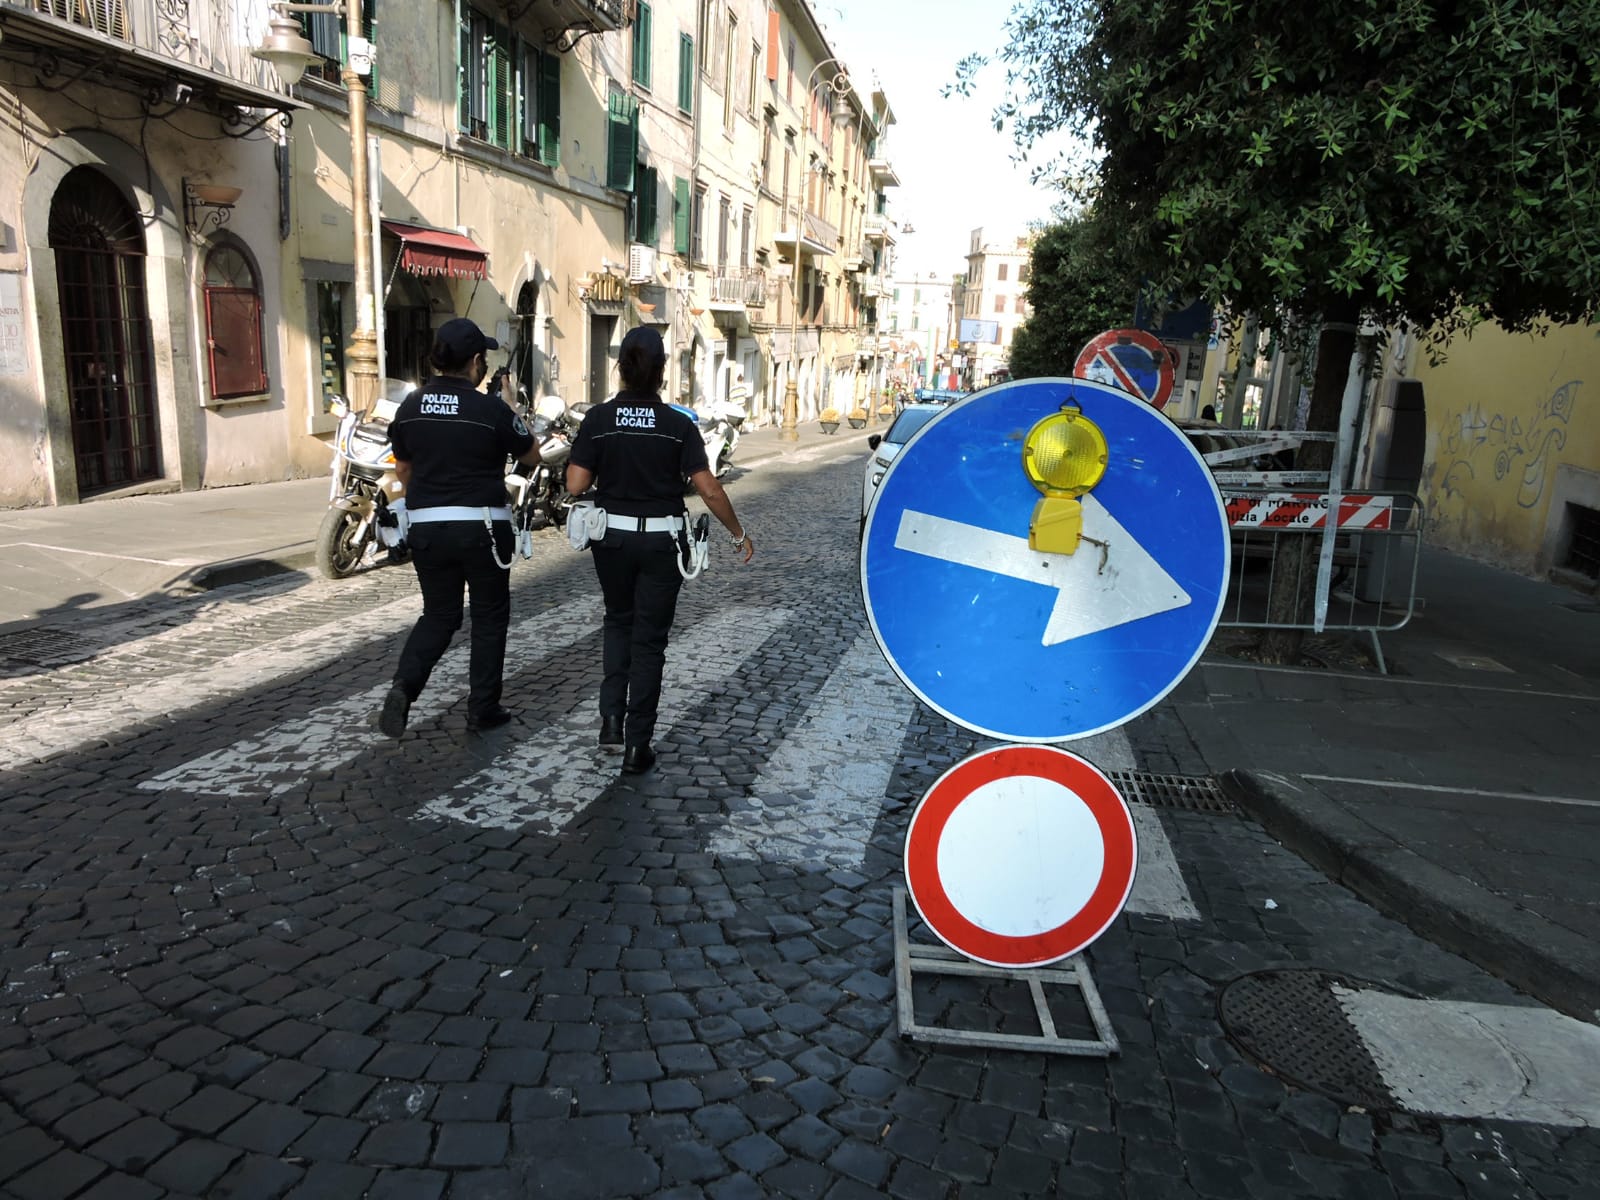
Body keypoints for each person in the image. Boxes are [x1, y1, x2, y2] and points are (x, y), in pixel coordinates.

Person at [566, 326, 755, 775]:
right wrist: (737, 533)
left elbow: (576, 484)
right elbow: (708, 489)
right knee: (649, 641)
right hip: (662, 542)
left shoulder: (598, 419)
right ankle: (638, 745)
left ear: (621, 370)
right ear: (662, 371)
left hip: (609, 538)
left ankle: (611, 718)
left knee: (617, 622)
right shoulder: (678, 425)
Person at [377, 317, 541, 738]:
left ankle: (403, 688)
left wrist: (428, 500)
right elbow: (532, 455)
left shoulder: (411, 406)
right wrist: (512, 408)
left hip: (428, 526)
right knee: (488, 617)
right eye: (482, 358)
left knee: (439, 614)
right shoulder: (490, 409)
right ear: (474, 362)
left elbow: (405, 468)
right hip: (483, 526)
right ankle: (482, 707)